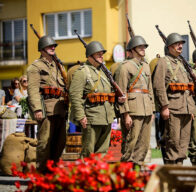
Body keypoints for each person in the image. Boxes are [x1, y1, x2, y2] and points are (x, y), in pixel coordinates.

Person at [69, 41, 125, 159]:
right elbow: (75, 95)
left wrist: (118, 100)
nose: (101, 56)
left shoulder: (104, 73)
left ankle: (97, 175)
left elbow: (109, 94)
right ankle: (85, 175)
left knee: (102, 152)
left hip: (107, 117)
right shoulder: (82, 72)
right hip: (91, 117)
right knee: (88, 152)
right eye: (98, 54)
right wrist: (80, 116)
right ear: (90, 56)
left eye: (102, 54)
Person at [153, 33, 196, 165]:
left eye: (181, 44)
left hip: (186, 108)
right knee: (173, 142)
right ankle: (171, 171)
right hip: (172, 108)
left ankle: (179, 168)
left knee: (184, 144)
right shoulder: (163, 61)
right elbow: (158, 85)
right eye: (177, 44)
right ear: (170, 46)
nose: (180, 46)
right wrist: (164, 106)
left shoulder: (182, 63)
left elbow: (188, 85)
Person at [27, 35, 67, 173]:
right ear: (42, 49)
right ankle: (41, 174)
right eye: (50, 46)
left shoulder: (59, 66)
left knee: (60, 143)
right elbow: (32, 90)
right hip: (46, 110)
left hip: (61, 110)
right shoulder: (35, 67)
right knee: (44, 143)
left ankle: (53, 172)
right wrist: (37, 109)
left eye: (54, 46)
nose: (53, 47)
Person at [116, 36, 155, 165]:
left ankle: (136, 173)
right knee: (130, 144)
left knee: (143, 145)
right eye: (140, 47)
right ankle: (126, 173)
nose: (143, 49)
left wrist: (152, 110)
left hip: (147, 110)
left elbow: (150, 90)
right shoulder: (124, 67)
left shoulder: (146, 66)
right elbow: (121, 93)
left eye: (144, 47)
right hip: (133, 110)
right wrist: (126, 114)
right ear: (132, 49)